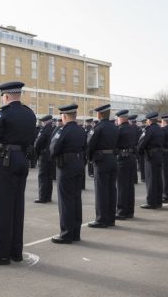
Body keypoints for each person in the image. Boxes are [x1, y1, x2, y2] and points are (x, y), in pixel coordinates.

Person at [0, 81, 36, 265]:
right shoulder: (29, 113)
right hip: (23, 159)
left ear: (5, 96)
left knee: (4, 208)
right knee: (17, 206)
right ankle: (16, 251)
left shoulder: (3, 114)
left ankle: (2, 254)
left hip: (6, 161)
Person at [49, 104, 87, 243]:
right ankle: (76, 233)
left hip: (65, 166)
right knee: (76, 199)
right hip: (78, 164)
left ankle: (66, 234)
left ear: (64, 116)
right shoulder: (81, 130)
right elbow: (85, 147)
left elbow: (53, 148)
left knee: (65, 200)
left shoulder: (62, 130)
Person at [87, 104, 118, 228]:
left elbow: (90, 144)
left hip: (101, 161)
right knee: (111, 190)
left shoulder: (98, 127)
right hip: (112, 159)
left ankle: (101, 219)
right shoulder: (114, 127)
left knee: (101, 191)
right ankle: (111, 218)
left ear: (99, 114)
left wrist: (89, 159)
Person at [138, 111, 164, 209]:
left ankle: (151, 202)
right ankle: (158, 201)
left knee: (151, 179)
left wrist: (139, 153)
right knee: (158, 179)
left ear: (149, 120)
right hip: (158, 155)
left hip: (151, 156)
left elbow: (142, 143)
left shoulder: (149, 129)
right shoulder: (160, 129)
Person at [114, 109, 137, 219]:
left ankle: (122, 212)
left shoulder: (119, 130)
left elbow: (114, 144)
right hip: (132, 158)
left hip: (122, 159)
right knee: (130, 186)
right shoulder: (133, 129)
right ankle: (130, 211)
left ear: (121, 118)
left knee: (122, 186)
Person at [34, 114, 54, 203]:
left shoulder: (44, 130)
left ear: (45, 122)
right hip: (51, 155)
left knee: (42, 177)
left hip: (44, 155)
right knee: (49, 177)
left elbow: (38, 143)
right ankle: (48, 197)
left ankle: (42, 197)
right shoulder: (54, 129)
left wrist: (36, 153)